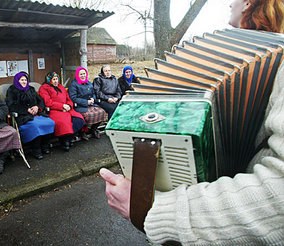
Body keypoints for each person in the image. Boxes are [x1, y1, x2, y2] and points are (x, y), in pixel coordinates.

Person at [100, 0, 284, 245]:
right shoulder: (251, 59)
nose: (230, 3)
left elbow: (277, 198)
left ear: (249, 2)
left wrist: (154, 207)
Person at [5, 72, 55, 160]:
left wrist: (37, 107)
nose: (24, 82)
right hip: (22, 116)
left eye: (25, 80)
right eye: (21, 80)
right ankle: (36, 149)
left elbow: (40, 101)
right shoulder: (12, 90)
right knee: (35, 126)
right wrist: (26, 109)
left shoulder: (31, 89)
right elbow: (10, 105)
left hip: (36, 114)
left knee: (50, 122)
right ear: (17, 81)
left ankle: (45, 145)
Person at [39, 72, 86, 151]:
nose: (56, 81)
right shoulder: (44, 88)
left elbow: (69, 99)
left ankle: (68, 137)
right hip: (54, 110)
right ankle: (64, 141)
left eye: (57, 79)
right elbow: (48, 102)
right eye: (53, 79)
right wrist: (61, 106)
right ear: (49, 80)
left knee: (79, 119)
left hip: (67, 109)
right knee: (63, 122)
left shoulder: (61, 87)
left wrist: (69, 105)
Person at [68, 67, 106, 139]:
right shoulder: (74, 84)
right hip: (80, 106)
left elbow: (93, 93)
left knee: (102, 112)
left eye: (84, 74)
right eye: (81, 74)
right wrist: (86, 102)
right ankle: (82, 132)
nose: (83, 76)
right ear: (77, 75)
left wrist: (93, 99)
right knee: (88, 115)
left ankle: (93, 130)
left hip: (91, 104)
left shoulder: (88, 83)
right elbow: (73, 98)